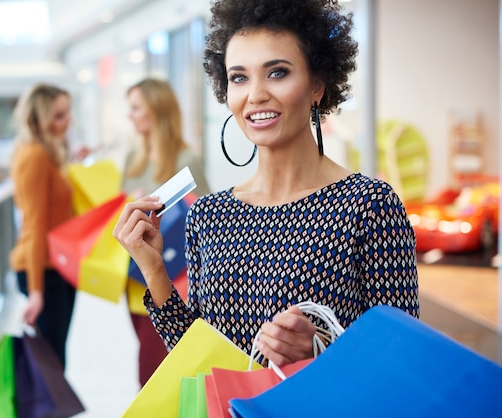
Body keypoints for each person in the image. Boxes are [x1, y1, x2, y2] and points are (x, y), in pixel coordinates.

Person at [113, 0, 419, 368]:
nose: (255, 94)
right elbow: (198, 362)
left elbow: (403, 357)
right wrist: (154, 270)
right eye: (239, 77)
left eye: (277, 73)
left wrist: (322, 348)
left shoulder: (368, 205)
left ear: (317, 85)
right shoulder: (210, 216)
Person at [122, 78, 210, 386]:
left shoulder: (186, 162)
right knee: (146, 356)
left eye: (136, 108)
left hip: (172, 275)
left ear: (156, 110)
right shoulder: (133, 161)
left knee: (155, 367)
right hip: (134, 274)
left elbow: (203, 218)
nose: (130, 115)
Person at [9, 83, 81, 369]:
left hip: (55, 266)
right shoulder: (35, 157)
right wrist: (37, 291)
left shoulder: (47, 153)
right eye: (59, 116)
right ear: (38, 119)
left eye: (67, 113)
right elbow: (36, 225)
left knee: (54, 361)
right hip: (43, 270)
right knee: (51, 365)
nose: (67, 121)